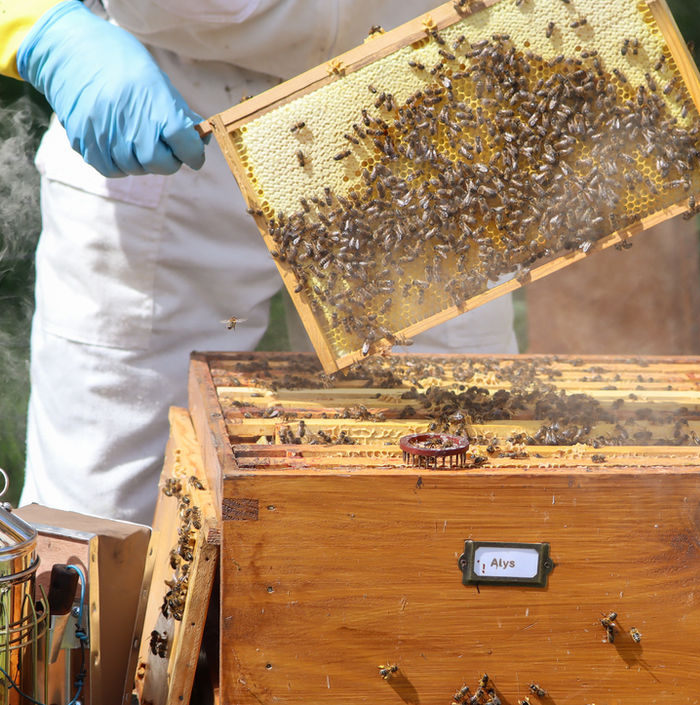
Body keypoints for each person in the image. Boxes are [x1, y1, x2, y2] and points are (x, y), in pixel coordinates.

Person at [3, 0, 518, 524]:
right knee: (102, 520)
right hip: (165, 105)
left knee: (451, 485)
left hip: (418, 102)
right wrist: (41, 23)